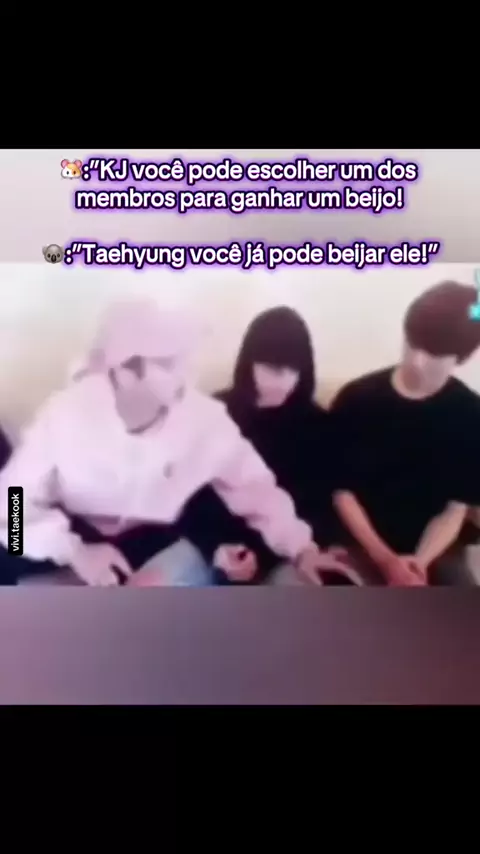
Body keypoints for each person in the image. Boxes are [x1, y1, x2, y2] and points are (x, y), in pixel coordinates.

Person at [0, 299, 341, 587]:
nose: (186, 375)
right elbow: (12, 501)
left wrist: (303, 549)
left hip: (157, 537)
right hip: (73, 527)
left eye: (185, 360)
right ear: (125, 372)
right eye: (168, 364)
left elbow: (255, 488)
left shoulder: (204, 419)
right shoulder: (65, 413)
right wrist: (73, 551)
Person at [182, 306, 360, 586]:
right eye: (271, 369)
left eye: (292, 371)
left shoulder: (318, 425)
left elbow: (319, 508)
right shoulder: (218, 412)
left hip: (290, 553)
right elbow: (194, 496)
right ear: (250, 363)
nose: (282, 382)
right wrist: (220, 546)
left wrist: (269, 553)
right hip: (219, 546)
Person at [331, 281, 480, 586]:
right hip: (360, 544)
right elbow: (341, 492)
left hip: (434, 551)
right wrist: (386, 560)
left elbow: (455, 508)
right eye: (412, 344)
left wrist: (419, 564)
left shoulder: (470, 413)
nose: (416, 361)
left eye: (433, 354)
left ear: (461, 358)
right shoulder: (357, 398)